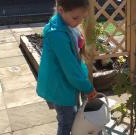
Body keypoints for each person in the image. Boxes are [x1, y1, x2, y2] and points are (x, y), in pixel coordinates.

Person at [36, 0, 97, 135]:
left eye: (82, 18)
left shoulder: (65, 23)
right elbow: (70, 68)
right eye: (76, 18)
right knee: (66, 122)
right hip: (61, 87)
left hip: (66, 84)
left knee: (72, 116)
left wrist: (78, 41)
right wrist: (87, 87)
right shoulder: (57, 34)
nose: (78, 22)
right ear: (61, 10)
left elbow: (72, 49)